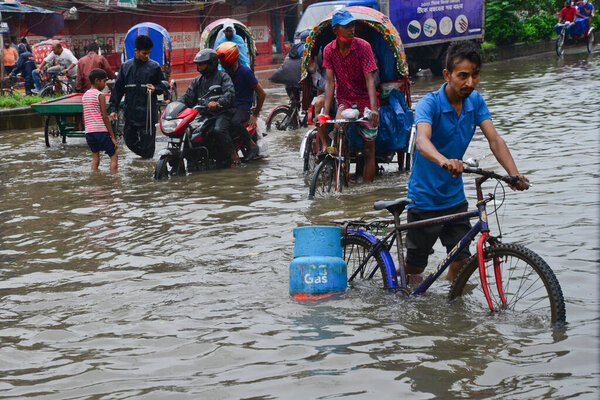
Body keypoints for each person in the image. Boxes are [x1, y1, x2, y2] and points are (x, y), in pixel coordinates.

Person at [405, 41, 529, 282]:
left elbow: (494, 140)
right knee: (414, 269)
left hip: (454, 199)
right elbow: (422, 140)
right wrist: (444, 161)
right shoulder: (429, 103)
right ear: (447, 75)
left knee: (462, 262)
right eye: (463, 76)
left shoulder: (475, 102)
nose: (470, 83)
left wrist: (514, 175)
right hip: (423, 200)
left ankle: (451, 306)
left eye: (475, 75)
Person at [319, 9, 380, 183]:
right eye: (346, 26)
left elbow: (370, 79)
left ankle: (368, 194)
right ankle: (341, 169)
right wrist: (324, 112)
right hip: (345, 101)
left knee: (369, 151)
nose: (351, 29)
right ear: (336, 30)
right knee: (338, 128)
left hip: (365, 101)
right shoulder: (329, 51)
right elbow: (330, 83)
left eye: (352, 25)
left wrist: (374, 109)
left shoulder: (363, 47)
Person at [108, 35, 167, 159]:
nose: (146, 56)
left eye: (148, 53)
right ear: (136, 51)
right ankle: (147, 159)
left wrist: (155, 88)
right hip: (130, 112)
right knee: (129, 141)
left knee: (148, 147)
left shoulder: (154, 67)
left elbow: (163, 85)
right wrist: (113, 109)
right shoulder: (126, 67)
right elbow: (117, 89)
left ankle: (148, 166)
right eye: (144, 53)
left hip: (148, 113)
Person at [178, 48, 236, 168]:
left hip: (222, 112)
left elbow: (229, 94)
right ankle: (193, 160)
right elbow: (188, 97)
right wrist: (175, 105)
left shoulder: (223, 77)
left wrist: (218, 102)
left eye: (202, 64)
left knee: (218, 130)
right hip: (203, 114)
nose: (199, 67)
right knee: (188, 131)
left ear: (211, 63)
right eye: (198, 64)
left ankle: (231, 158)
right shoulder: (197, 80)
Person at [216, 42, 266, 163]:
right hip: (230, 107)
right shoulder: (225, 74)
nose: (227, 69)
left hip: (243, 107)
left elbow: (262, 94)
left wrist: (255, 114)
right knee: (217, 127)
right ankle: (228, 153)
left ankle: (251, 144)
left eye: (229, 67)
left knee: (235, 122)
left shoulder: (245, 72)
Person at [83, 69, 118, 171]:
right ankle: (115, 182)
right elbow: (104, 117)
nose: (105, 85)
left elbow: (88, 115)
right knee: (114, 156)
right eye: (104, 82)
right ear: (97, 80)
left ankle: (95, 181)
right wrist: (112, 137)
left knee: (95, 159)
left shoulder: (85, 95)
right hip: (101, 131)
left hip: (89, 132)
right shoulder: (100, 95)